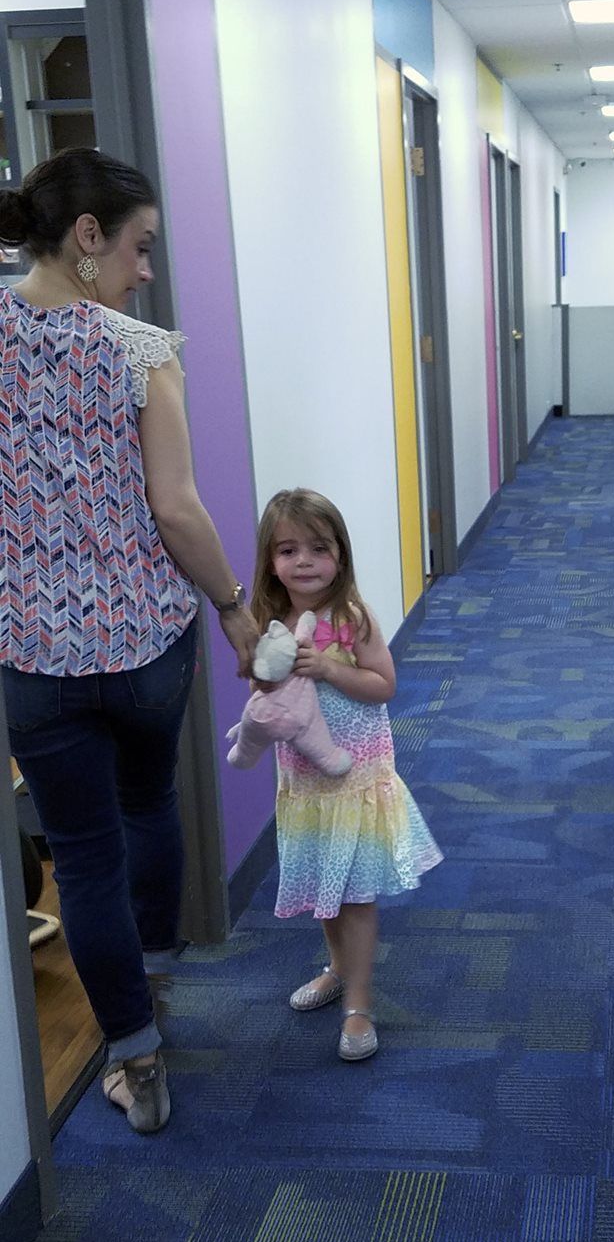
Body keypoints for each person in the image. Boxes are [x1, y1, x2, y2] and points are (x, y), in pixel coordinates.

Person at [0, 148, 258, 1133]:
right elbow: (178, 507)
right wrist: (234, 604)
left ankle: (135, 1062)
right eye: (139, 245)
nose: (146, 267)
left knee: (83, 856)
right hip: (146, 642)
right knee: (149, 803)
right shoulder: (138, 348)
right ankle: (149, 975)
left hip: (35, 660)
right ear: (88, 236)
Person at [249, 488, 441, 1060]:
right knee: (323, 891)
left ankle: (359, 1000)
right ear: (269, 561)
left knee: (355, 896)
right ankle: (336, 968)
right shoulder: (272, 620)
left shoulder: (350, 618)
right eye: (287, 550)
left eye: (318, 548)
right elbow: (266, 689)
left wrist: (332, 669)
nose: (303, 561)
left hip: (355, 776)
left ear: (341, 555)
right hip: (305, 781)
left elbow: (384, 685)